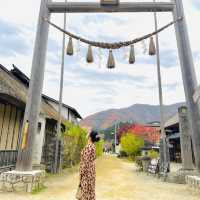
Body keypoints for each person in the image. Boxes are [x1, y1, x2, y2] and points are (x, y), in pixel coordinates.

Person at [78, 130, 100, 200]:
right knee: (90, 191)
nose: (87, 134)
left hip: (87, 173)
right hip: (91, 171)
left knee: (86, 192)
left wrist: (81, 172)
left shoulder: (89, 147)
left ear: (90, 137)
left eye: (88, 133)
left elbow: (86, 161)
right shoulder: (92, 146)